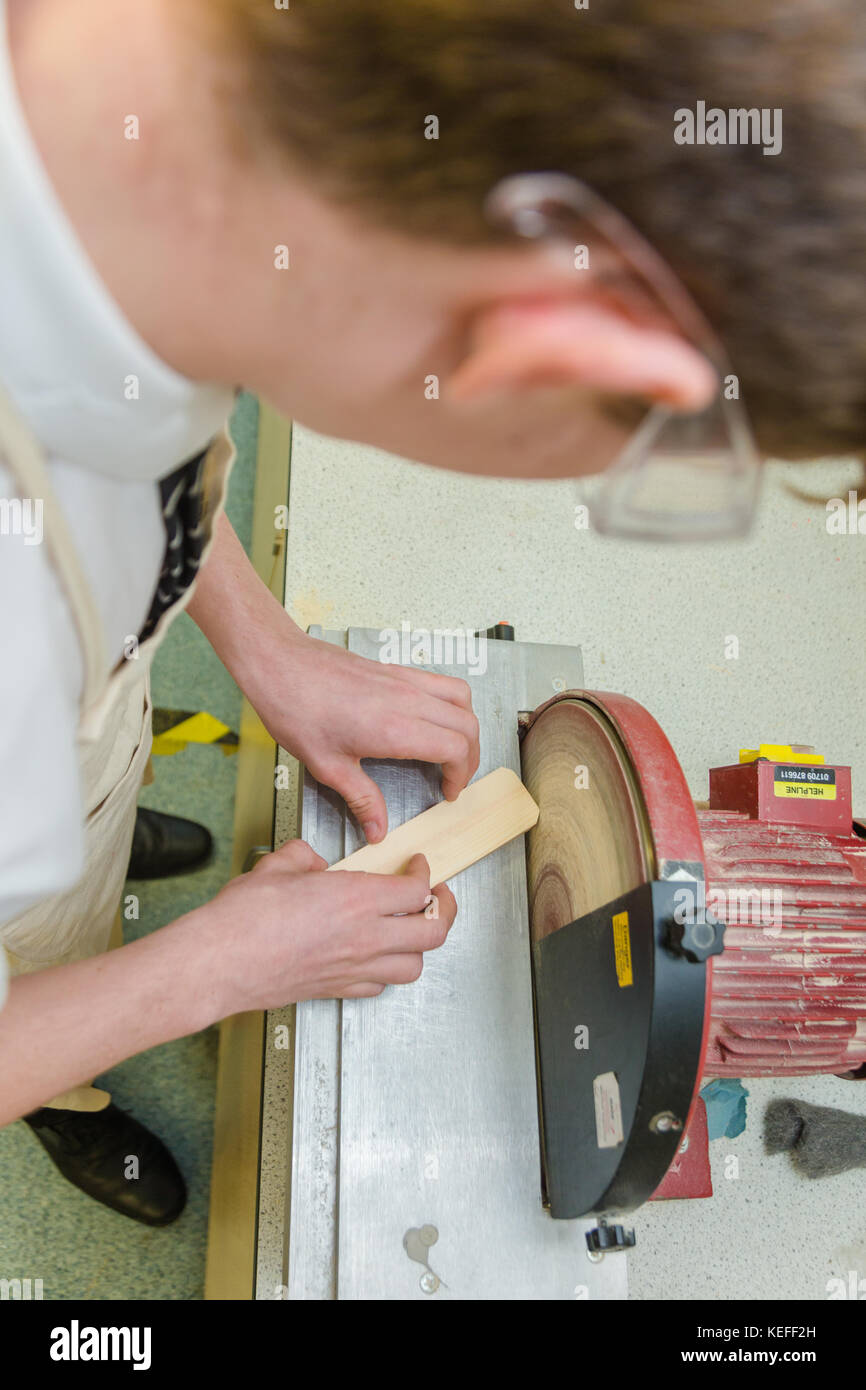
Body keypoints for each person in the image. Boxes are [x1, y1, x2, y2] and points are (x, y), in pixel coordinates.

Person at [1, 0, 863, 1224]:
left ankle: (99, 842)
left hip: (78, 742)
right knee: (44, 934)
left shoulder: (148, 147)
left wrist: (264, 643)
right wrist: (208, 968)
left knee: (81, 843)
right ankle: (64, 1091)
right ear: (551, 355)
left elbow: (141, 447)